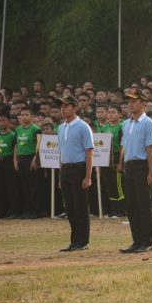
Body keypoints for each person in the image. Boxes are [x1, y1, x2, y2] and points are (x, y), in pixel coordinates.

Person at [117, 89, 152, 254]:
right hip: (129, 166)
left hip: (142, 166)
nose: (130, 104)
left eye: (134, 101)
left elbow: (150, 149)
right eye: (129, 101)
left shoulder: (148, 123)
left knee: (144, 205)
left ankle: (147, 241)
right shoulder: (126, 123)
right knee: (132, 205)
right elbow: (124, 146)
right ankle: (136, 240)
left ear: (143, 103)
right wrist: (120, 163)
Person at [57, 94, 94, 252]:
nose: (63, 109)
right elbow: (61, 152)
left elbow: (89, 152)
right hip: (65, 169)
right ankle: (74, 240)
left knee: (80, 207)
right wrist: (60, 174)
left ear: (75, 107)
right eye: (62, 106)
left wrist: (88, 176)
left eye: (66, 106)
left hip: (78, 168)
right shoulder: (60, 127)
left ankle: (83, 241)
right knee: (70, 207)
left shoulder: (83, 126)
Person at [14, 107, 42, 219]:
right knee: (24, 186)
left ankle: (35, 211)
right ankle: (27, 210)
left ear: (32, 116)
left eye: (26, 114)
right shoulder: (18, 130)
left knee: (33, 186)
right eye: (22, 114)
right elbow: (16, 145)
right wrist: (15, 160)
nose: (24, 117)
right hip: (21, 159)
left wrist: (35, 158)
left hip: (31, 159)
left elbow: (39, 144)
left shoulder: (36, 129)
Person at [0, 112, 20, 218]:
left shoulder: (13, 135)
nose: (2, 123)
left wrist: (14, 161)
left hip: (9, 162)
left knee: (11, 187)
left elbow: (15, 149)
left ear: (8, 122)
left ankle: (14, 211)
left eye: (4, 121)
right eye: (0, 121)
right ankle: (1, 211)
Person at [101, 104, 125, 217]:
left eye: (113, 112)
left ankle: (121, 210)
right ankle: (112, 210)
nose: (110, 114)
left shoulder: (122, 127)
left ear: (120, 115)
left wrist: (120, 162)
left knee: (118, 185)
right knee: (109, 184)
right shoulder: (104, 128)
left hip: (117, 156)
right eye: (109, 112)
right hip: (105, 157)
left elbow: (122, 146)